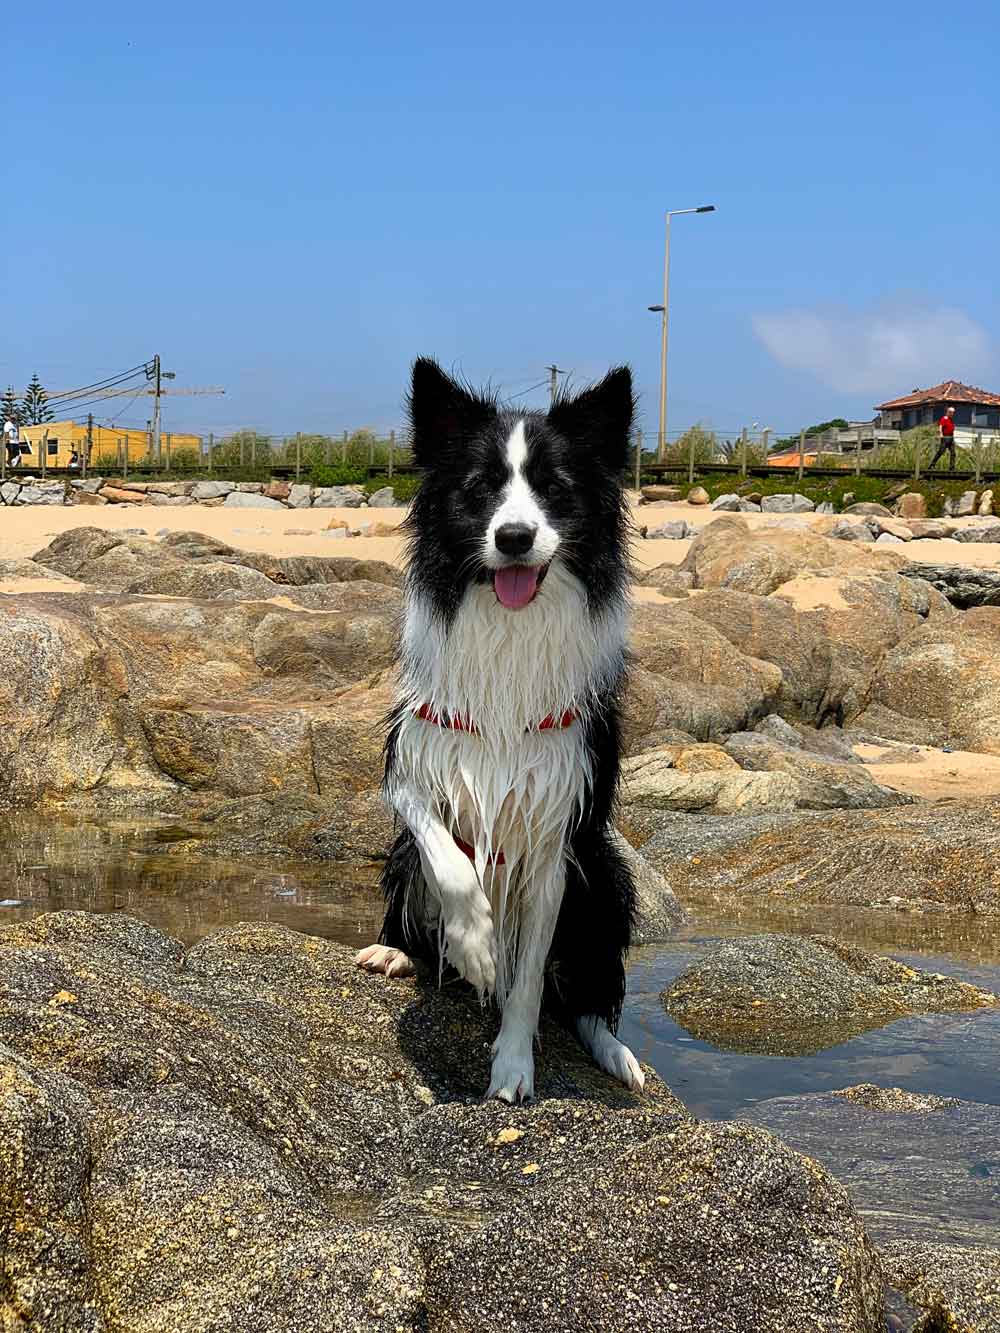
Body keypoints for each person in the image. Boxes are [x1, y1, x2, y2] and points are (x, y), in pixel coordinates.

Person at [929, 406, 957, 470]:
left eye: (953, 412)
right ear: (948, 412)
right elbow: (940, 426)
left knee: (953, 453)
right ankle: (931, 465)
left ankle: (952, 468)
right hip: (945, 437)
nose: (952, 414)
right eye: (951, 412)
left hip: (951, 438)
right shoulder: (944, 418)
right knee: (941, 452)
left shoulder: (951, 419)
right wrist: (941, 434)